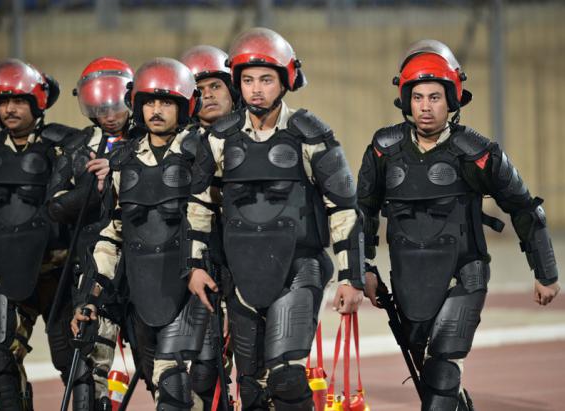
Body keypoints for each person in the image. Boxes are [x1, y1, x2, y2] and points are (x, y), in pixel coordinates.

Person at [357, 40, 561, 411]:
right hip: (408, 282)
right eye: (417, 97)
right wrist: (363, 270)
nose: (425, 107)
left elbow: (524, 208)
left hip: (463, 276)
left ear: (452, 99)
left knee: (441, 378)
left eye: (435, 97)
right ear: (405, 100)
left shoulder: (477, 152)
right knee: (434, 384)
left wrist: (545, 272)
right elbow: (362, 212)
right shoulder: (383, 150)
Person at [186, 27, 366, 410]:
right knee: (252, 388)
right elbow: (198, 203)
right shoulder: (219, 137)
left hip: (298, 269)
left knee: (286, 378)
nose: (256, 90)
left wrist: (352, 277)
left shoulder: (310, 134)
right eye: (247, 80)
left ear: (286, 80)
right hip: (241, 275)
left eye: (266, 79)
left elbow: (344, 207)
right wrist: (195, 266)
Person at [89, 57, 208, 411]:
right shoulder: (123, 161)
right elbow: (114, 232)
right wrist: (93, 290)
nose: (156, 110)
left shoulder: (203, 152)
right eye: (149, 102)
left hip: (191, 290)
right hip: (142, 291)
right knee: (158, 384)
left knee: (173, 386)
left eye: (167, 102)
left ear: (185, 106)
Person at [0, 58, 78, 410]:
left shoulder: (65, 144)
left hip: (59, 275)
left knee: (73, 364)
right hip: (12, 274)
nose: (9, 108)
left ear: (37, 102)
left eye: (19, 100)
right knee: (2, 364)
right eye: (2, 101)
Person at [47, 57, 134, 411]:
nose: (109, 115)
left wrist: (117, 171)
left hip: (144, 264)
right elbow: (54, 206)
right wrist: (93, 186)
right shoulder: (77, 147)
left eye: (115, 106)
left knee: (161, 364)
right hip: (93, 268)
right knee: (86, 367)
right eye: (100, 108)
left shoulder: (151, 140)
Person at [180, 44, 238, 409]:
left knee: (265, 374)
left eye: (215, 86)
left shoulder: (257, 137)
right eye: (198, 90)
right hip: (198, 268)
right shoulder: (174, 145)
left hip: (251, 267)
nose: (208, 96)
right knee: (203, 372)